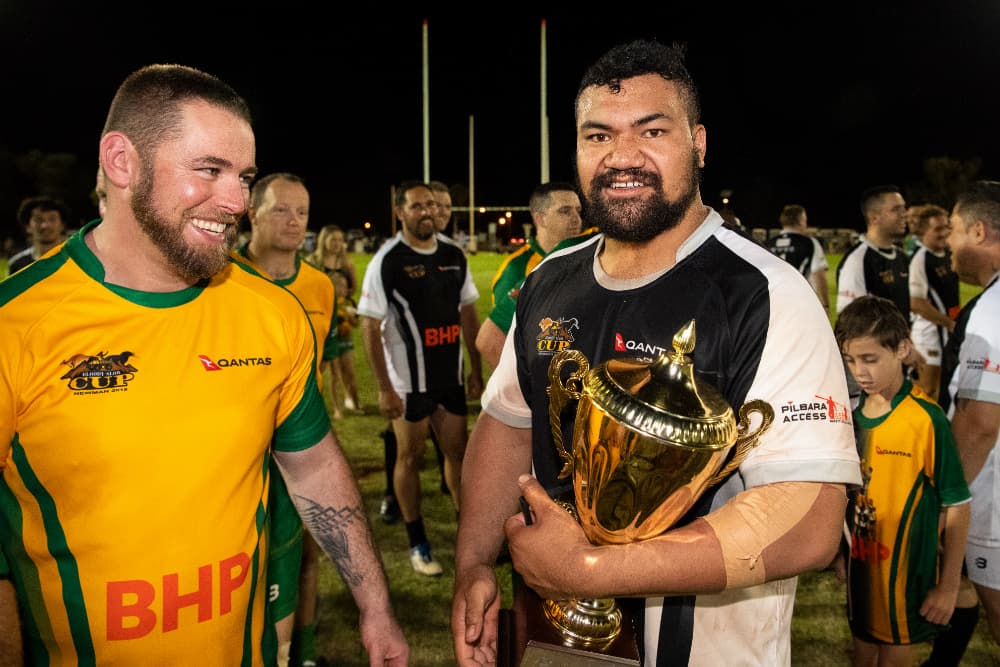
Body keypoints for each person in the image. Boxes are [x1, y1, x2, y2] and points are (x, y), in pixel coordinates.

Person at [451, 40, 860, 666]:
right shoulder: (550, 277)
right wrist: (475, 561)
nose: (623, 157)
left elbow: (809, 520)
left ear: (698, 143)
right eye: (598, 136)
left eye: (652, 131)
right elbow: (508, 422)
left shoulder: (766, 293)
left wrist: (595, 572)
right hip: (552, 634)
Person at [0, 63, 407, 665]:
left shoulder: (271, 312)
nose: (237, 201)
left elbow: (314, 464)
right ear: (121, 161)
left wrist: (374, 604)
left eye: (243, 177)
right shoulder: (18, 326)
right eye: (209, 171)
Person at [833, 295, 971, 666]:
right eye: (850, 360)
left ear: (903, 349)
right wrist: (842, 553)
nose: (860, 371)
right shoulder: (849, 416)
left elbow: (957, 505)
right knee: (862, 651)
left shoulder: (926, 420)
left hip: (906, 573)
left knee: (893, 656)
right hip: (862, 567)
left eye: (870, 359)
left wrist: (948, 586)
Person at [236, 172, 339, 667]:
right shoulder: (221, 280)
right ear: (250, 212)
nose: (294, 220)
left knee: (310, 552)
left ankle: (308, 651)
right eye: (281, 209)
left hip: (303, 446)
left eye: (301, 211)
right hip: (241, 449)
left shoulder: (319, 286)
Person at [358, 180, 483, 577]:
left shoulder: (453, 254)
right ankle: (418, 540)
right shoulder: (388, 260)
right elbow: (368, 326)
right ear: (400, 212)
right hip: (409, 382)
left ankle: (469, 534)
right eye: (416, 206)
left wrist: (476, 371)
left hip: (450, 377)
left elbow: (467, 311)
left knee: (458, 454)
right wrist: (384, 387)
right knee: (410, 457)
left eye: (431, 204)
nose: (425, 212)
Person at [939, 179, 1000, 646]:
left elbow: (979, 422)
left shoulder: (992, 308)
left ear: (979, 232)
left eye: (955, 229)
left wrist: (945, 502)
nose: (950, 242)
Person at [475, 182, 587, 371]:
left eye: (578, 211)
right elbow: (495, 341)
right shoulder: (516, 269)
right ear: (540, 218)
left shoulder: (582, 256)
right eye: (565, 211)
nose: (576, 219)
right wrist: (524, 393)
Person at [309, 224, 362, 416]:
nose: (337, 244)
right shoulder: (313, 262)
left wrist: (343, 305)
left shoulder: (347, 265)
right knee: (321, 369)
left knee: (347, 367)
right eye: (333, 240)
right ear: (324, 241)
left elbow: (352, 290)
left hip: (340, 321)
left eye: (340, 240)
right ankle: (316, 406)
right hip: (319, 322)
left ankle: (351, 401)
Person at [908, 204, 960, 401]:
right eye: (938, 229)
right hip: (928, 332)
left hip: (946, 330)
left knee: (940, 386)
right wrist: (948, 323)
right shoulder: (920, 259)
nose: (944, 233)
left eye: (947, 227)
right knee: (926, 389)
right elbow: (916, 302)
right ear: (923, 232)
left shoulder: (947, 255)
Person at [835, 185, 911, 319]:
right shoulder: (858, 260)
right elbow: (851, 322)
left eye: (904, 208)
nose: (904, 214)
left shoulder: (902, 257)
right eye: (896, 209)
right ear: (874, 218)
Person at [765, 203, 829, 311]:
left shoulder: (766, 244)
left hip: (773, 305)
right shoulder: (809, 243)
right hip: (801, 304)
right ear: (801, 220)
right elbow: (819, 276)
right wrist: (826, 305)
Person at [5, 195, 69, 276]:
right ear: (27, 226)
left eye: (52, 219)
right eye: (38, 220)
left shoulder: (77, 258)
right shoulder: (17, 265)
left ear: (62, 225)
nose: (45, 225)